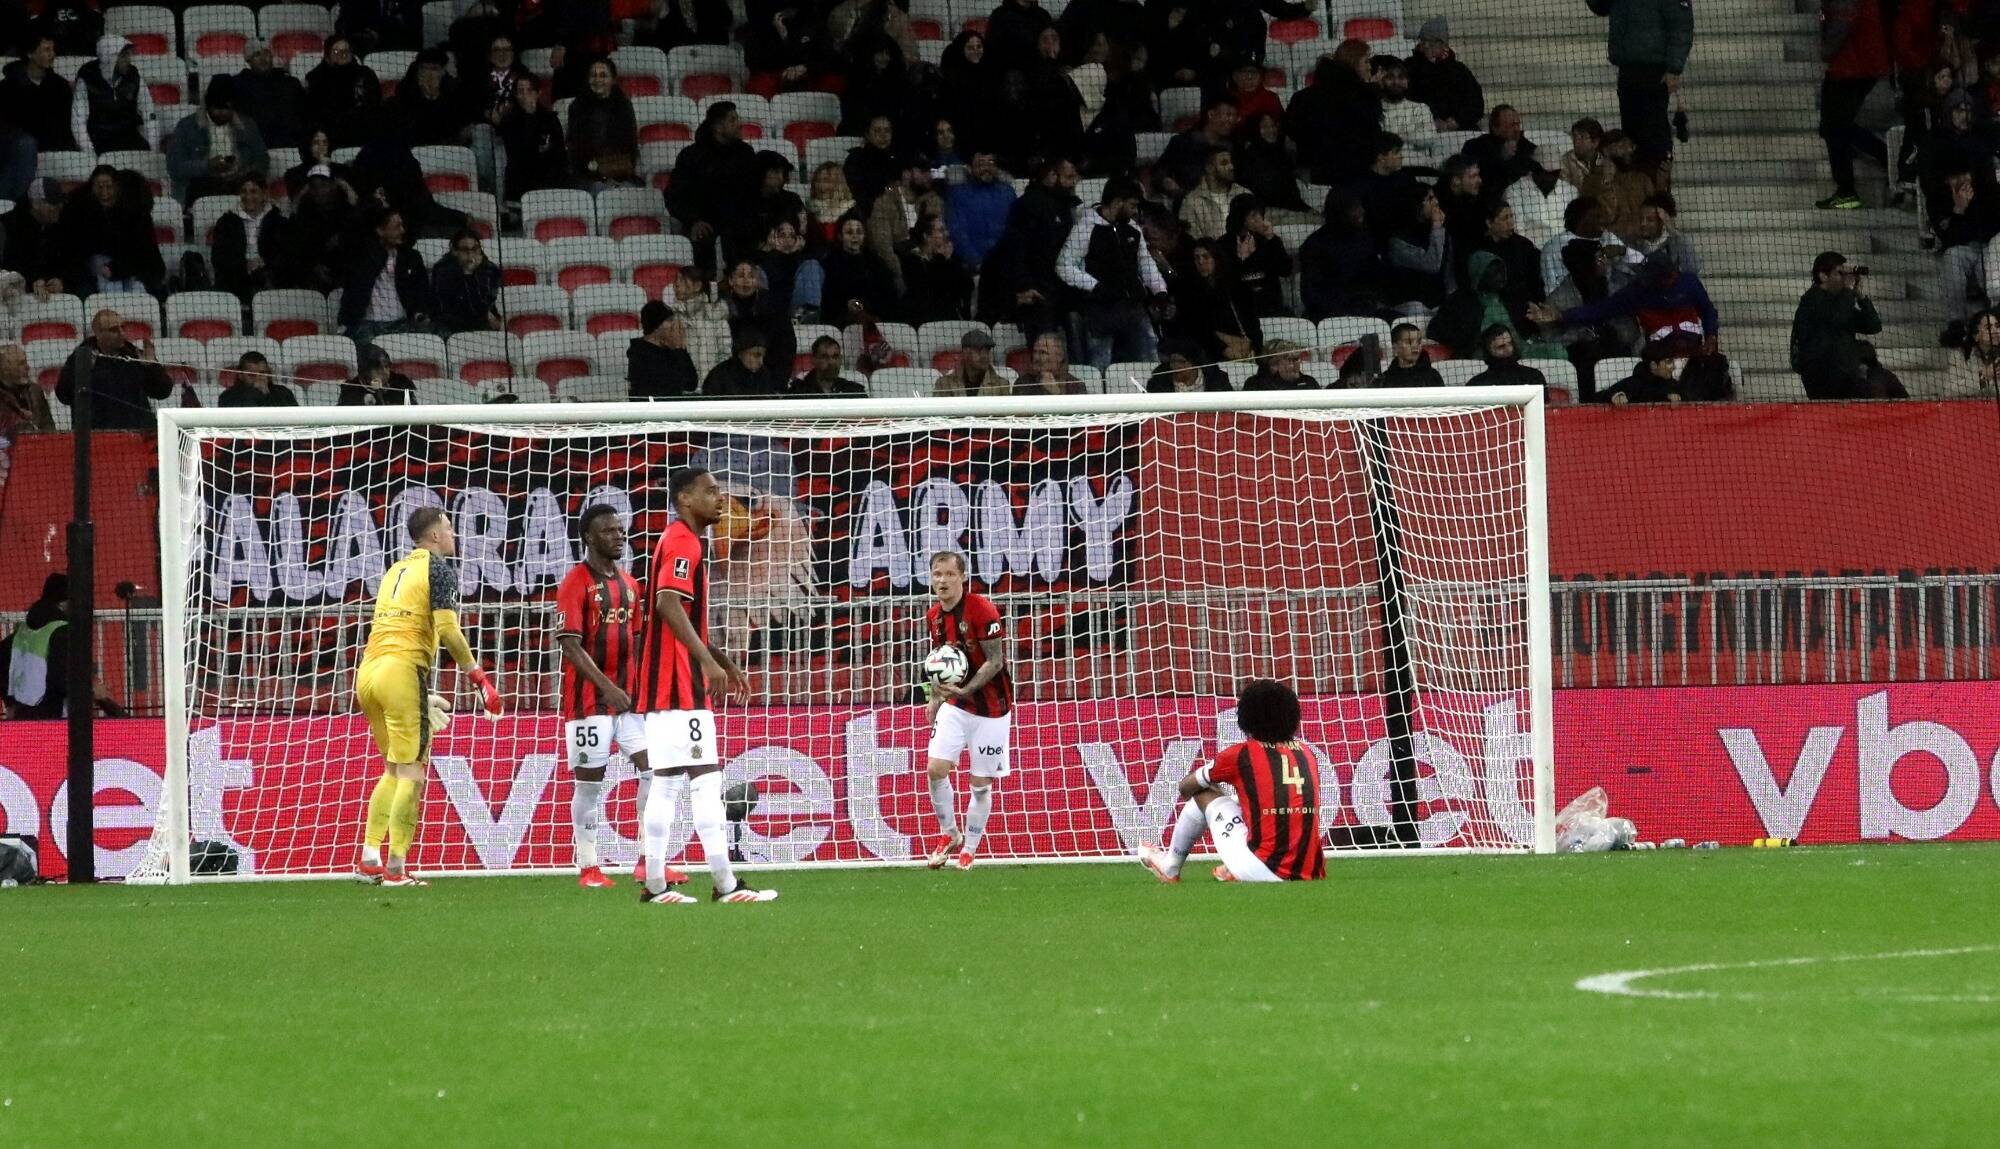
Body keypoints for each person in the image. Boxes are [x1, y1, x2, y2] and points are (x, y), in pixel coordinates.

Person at [634, 467, 773, 903]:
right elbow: (667, 603)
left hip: (665, 683)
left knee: (667, 781)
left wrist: (722, 659)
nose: (720, 498)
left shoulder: (683, 540)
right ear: (685, 500)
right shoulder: (682, 540)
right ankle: (726, 884)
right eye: (711, 491)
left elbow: (678, 614)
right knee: (704, 780)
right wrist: (705, 662)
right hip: (679, 684)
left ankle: (656, 886)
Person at [352, 507, 504, 887]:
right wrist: (477, 676)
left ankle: (370, 855)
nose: (454, 536)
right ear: (434, 536)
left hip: (368, 672)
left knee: (393, 768)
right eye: (450, 529)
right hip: (402, 670)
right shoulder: (438, 569)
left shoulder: (394, 571)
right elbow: (449, 631)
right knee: (414, 773)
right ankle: (397, 869)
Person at [554, 505, 654, 890]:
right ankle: (589, 866)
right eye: (609, 531)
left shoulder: (630, 584)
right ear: (589, 538)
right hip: (588, 704)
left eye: (620, 529)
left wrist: (639, 685)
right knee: (590, 785)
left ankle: (648, 860)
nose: (619, 536)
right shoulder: (575, 583)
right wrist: (607, 687)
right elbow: (570, 645)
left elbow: (639, 638)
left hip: (629, 701)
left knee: (654, 771)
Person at [1138, 678, 1324, 883]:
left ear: (1247, 717)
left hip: (1263, 869)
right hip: (1311, 873)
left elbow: (1186, 787)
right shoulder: (1307, 753)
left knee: (1203, 792)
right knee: (1254, 805)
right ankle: (1234, 868)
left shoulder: (1242, 755)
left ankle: (1170, 867)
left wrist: (1227, 793)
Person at [920, 550, 1014, 870]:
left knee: (980, 784)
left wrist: (967, 688)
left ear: (962, 577)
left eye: (949, 574)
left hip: (992, 709)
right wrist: (935, 698)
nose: (942, 580)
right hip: (956, 704)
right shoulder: (933, 616)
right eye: (937, 574)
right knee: (935, 768)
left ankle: (970, 847)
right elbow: (940, 660)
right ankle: (950, 834)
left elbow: (995, 661)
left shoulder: (981, 609)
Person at [1058, 177, 1169, 369]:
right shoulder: (1085, 228)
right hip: (1101, 310)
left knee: (1150, 360)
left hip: (1134, 308)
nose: (1136, 212)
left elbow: (1145, 262)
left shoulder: (1133, 229)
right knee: (1100, 363)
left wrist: (1160, 290)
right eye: (1133, 205)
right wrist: (1095, 286)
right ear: (1118, 202)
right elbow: (1064, 265)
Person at [1587, 0, 1693, 174]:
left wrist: (1674, 67)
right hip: (1627, 67)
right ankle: (1636, 188)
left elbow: (1681, 25)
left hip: (1654, 70)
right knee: (1630, 135)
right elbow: (1600, 6)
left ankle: (1655, 188)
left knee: (1653, 134)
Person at [1814, 0, 1889, 210]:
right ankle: (1888, 158)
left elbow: (1844, 21)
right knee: (1836, 126)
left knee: (1833, 127)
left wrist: (1826, 50)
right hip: (1860, 66)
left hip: (1852, 68)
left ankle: (1847, 190)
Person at [667, 99, 758, 268]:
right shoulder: (691, 156)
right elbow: (674, 196)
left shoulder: (745, 154)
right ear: (717, 127)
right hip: (703, 229)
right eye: (732, 120)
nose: (739, 124)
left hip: (739, 230)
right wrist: (693, 221)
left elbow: (753, 194)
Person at [56, 309, 171, 430]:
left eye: (122, 327)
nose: (122, 333)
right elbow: (64, 396)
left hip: (138, 433)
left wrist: (151, 366)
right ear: (98, 333)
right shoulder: (81, 358)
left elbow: (163, 392)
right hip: (96, 435)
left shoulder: (135, 355)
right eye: (114, 330)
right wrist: (83, 372)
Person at [1789, 250, 1883, 399]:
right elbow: (1836, 318)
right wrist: (1848, 290)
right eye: (1839, 273)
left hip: (1845, 376)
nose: (1844, 278)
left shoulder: (1841, 302)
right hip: (1822, 379)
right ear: (1823, 276)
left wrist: (1860, 296)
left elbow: (1873, 325)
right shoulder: (1811, 301)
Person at [58, 165, 163, 296]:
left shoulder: (136, 214)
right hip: (92, 274)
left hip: (133, 273)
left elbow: (146, 259)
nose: (106, 193)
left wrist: (116, 269)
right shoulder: (82, 209)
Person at [339, 208, 435, 348]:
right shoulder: (363, 257)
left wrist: (419, 311)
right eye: (396, 227)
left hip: (402, 324)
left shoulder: (411, 258)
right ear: (380, 231)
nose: (402, 230)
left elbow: (422, 291)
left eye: (402, 226)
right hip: (367, 326)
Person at [166, 78, 268, 203]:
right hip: (200, 188)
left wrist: (246, 174)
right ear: (208, 105)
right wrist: (207, 166)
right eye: (218, 108)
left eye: (228, 108)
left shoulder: (247, 125)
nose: (223, 113)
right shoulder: (187, 127)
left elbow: (262, 158)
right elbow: (175, 167)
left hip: (239, 188)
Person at [1934, 168, 2000, 345]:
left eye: (1966, 176)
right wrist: (1959, 209)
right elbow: (1948, 239)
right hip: (1967, 253)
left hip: (1992, 249)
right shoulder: (1940, 197)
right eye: (1956, 177)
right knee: (1952, 255)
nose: (1962, 182)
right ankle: (1957, 323)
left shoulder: (1989, 190)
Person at [70, 34, 154, 154]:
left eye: (129, 55)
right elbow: (78, 122)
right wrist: (90, 154)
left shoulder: (134, 76)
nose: (129, 60)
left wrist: (152, 152)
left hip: (129, 140)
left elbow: (149, 114)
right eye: (124, 56)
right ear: (109, 58)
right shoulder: (87, 78)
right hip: (99, 142)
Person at [213, 172, 290, 300]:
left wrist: (264, 261)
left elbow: (285, 254)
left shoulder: (279, 222)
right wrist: (245, 265)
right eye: (244, 191)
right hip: (237, 277)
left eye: (254, 191)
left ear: (264, 194)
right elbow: (219, 257)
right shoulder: (226, 222)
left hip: (270, 275)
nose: (248, 196)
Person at [566, 57, 640, 190]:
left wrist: (612, 172)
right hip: (587, 176)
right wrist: (598, 171)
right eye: (593, 75)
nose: (598, 80)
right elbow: (575, 150)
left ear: (613, 80)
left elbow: (630, 147)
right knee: (600, 189)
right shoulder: (577, 107)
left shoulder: (624, 106)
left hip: (619, 174)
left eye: (603, 75)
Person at [304, 34, 384, 149]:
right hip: (334, 136)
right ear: (327, 56)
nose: (343, 54)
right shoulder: (316, 79)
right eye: (337, 52)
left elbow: (373, 104)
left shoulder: (365, 74)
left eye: (346, 50)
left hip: (365, 132)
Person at [495, 75, 567, 201]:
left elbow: (560, 152)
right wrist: (529, 117)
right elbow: (518, 155)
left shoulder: (550, 119)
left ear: (538, 93)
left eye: (529, 90)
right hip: (521, 181)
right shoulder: (509, 121)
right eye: (520, 91)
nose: (525, 95)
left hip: (549, 179)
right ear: (516, 95)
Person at [1406, 18, 1483, 132]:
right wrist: (1431, 121)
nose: (1426, 45)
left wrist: (1456, 121)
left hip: (1459, 129)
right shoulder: (1409, 67)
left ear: (1443, 44)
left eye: (1432, 41)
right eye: (1423, 40)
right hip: (1422, 129)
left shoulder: (1459, 70)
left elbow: (1476, 105)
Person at [944, 151, 1016, 273]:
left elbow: (1015, 228)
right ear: (969, 168)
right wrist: (976, 262)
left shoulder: (1007, 192)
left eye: (991, 163)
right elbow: (957, 232)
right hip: (972, 269)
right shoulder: (958, 194)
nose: (986, 168)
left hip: (1006, 265)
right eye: (981, 164)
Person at [3, 34, 76, 152]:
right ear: (30, 53)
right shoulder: (7, 87)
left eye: (53, 50)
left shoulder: (61, 86)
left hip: (54, 152)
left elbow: (64, 128)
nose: (52, 54)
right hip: (18, 151)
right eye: (47, 50)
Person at [233, 41, 309, 150]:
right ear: (248, 60)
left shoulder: (290, 83)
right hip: (260, 150)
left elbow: (304, 113)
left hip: (293, 147)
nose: (263, 58)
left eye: (266, 53)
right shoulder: (240, 86)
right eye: (257, 55)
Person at [900, 216, 976, 324]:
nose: (947, 234)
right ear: (926, 236)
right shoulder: (912, 261)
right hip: (925, 321)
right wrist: (943, 261)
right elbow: (934, 291)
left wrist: (949, 260)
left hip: (951, 318)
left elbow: (968, 285)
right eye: (941, 230)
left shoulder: (949, 256)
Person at [3, 178, 69, 297]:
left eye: (59, 201)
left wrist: (62, 280)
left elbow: (73, 260)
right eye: (52, 202)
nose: (58, 206)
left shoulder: (62, 223)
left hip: (52, 294)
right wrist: (32, 281)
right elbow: (10, 265)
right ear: (35, 204)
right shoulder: (10, 226)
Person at [429, 229, 502, 335]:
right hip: (450, 326)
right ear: (454, 251)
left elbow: (483, 305)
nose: (470, 254)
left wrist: (470, 275)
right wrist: (467, 273)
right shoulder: (442, 270)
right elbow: (446, 307)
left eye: (475, 249)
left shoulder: (489, 269)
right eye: (465, 249)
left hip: (481, 324)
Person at [628, 299, 699, 398]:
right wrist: (678, 349)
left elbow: (691, 384)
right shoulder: (639, 353)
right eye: (669, 320)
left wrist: (679, 349)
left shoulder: (673, 350)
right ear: (657, 326)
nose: (674, 325)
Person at [1178, 145, 1249, 241]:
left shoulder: (1244, 194)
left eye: (1231, 162)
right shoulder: (1192, 202)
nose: (1231, 167)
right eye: (1224, 163)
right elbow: (1191, 241)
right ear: (1209, 168)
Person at [1599, 339, 1685, 404]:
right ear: (1653, 365)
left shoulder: (1674, 386)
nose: (1673, 366)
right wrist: (1616, 397)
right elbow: (1601, 397)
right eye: (1669, 362)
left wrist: (1678, 399)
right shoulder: (1632, 384)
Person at [1466, 324, 1549, 388]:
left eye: (1510, 343)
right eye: (1501, 347)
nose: (1508, 349)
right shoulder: (1477, 385)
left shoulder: (1534, 377)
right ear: (1488, 351)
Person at [701, 327, 777, 396]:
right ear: (741, 353)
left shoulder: (765, 376)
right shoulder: (719, 377)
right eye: (756, 355)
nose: (761, 361)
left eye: (763, 356)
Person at [339, 344, 419, 405]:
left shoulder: (402, 382)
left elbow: (415, 411)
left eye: (387, 366)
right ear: (366, 371)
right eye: (378, 368)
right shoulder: (351, 388)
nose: (385, 372)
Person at [788, 335, 867, 396]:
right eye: (824, 357)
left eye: (835, 357)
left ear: (840, 359)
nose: (831, 362)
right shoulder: (798, 393)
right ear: (814, 359)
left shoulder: (854, 391)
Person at [935, 329, 1005, 396]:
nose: (985, 355)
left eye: (987, 350)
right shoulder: (944, 384)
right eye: (979, 350)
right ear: (965, 352)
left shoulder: (1002, 385)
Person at [217, 351, 298, 407]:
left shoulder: (283, 393)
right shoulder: (228, 396)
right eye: (252, 375)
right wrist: (255, 392)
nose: (258, 378)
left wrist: (267, 394)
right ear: (241, 375)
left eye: (262, 373)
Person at [1016, 332, 1087, 395]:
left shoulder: (1076, 386)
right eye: (1035, 352)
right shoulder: (1023, 383)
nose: (1036, 357)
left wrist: (1056, 394)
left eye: (1043, 352)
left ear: (1060, 356)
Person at [1950, 308, 2000, 395]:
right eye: (1988, 327)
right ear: (1976, 336)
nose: (1996, 331)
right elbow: (1951, 389)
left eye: (1997, 326)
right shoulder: (1959, 355)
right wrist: (1983, 377)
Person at [1379, 321, 1445, 385]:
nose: (1415, 347)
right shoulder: (1385, 380)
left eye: (1418, 342)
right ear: (1395, 347)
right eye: (1409, 342)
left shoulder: (1433, 376)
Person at [1243, 341, 1320, 389]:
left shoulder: (1309, 383)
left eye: (1296, 359)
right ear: (1274, 365)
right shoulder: (1255, 384)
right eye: (1290, 360)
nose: (1296, 364)